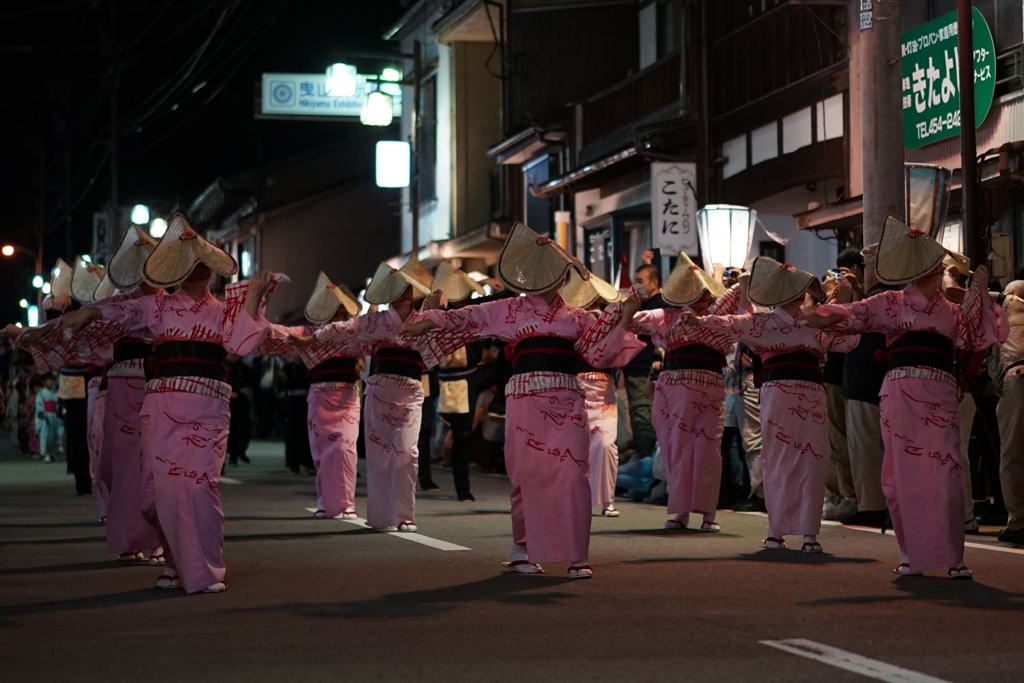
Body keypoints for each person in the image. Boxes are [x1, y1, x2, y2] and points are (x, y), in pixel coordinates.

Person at [38, 214, 274, 594]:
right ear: (177, 269)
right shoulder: (158, 307)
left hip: (209, 409)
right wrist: (91, 311)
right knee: (156, 494)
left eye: (203, 262)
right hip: (162, 409)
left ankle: (204, 571)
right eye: (189, 262)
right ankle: (178, 564)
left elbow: (242, 345)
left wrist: (254, 298)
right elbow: (124, 311)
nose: (197, 268)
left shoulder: (226, 309)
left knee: (197, 488)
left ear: (212, 269)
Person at [402, 222, 646, 579]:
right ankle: (522, 548)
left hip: (566, 398)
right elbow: (468, 317)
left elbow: (599, 352)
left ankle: (578, 554)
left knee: (573, 474)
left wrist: (625, 316)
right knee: (529, 475)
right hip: (526, 398)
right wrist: (427, 321)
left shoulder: (578, 317)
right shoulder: (508, 309)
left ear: (564, 279)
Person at [805, 217, 1006, 579]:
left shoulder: (951, 310)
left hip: (940, 390)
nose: (932, 270)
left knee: (945, 474)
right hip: (900, 391)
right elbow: (853, 315)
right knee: (902, 473)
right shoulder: (890, 301)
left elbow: (971, 338)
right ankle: (910, 552)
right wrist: (822, 311)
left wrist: (975, 289)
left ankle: (953, 555)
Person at [684, 257, 859, 553]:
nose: (801, 295)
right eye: (796, 290)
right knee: (778, 458)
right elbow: (730, 323)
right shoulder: (763, 322)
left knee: (812, 461)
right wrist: (700, 321)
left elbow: (847, 342)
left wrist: (843, 305)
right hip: (779, 393)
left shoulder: (812, 321)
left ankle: (808, 533)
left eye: (802, 289)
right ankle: (776, 528)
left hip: (811, 393)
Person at [291, 255, 433, 532]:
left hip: (408, 391)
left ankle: (403, 514)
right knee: (374, 453)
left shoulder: (426, 319)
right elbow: (346, 329)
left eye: (408, 286)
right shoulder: (375, 321)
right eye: (398, 287)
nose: (404, 291)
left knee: (406, 451)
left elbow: (457, 326)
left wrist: (438, 311)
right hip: (377, 390)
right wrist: (311, 339)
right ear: (388, 294)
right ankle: (380, 516)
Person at [629, 253, 742, 531]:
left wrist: (741, 283)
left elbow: (744, 316)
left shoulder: (720, 317)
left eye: (705, 292)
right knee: (676, 448)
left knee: (707, 449)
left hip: (710, 386)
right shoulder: (667, 315)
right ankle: (680, 510)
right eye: (695, 292)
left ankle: (707, 512)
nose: (702, 297)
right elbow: (633, 322)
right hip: (675, 385)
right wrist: (631, 305)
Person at [257, 272, 367, 519]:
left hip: (347, 396)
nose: (336, 311)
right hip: (318, 395)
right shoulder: (306, 331)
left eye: (339, 306)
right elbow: (278, 332)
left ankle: (346, 503)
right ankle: (325, 502)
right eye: (330, 306)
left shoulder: (354, 334)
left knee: (345, 450)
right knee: (322, 453)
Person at [562, 269, 626, 518]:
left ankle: (607, 500)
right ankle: (575, 497)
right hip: (574, 388)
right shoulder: (566, 320)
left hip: (603, 390)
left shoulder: (608, 319)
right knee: (574, 448)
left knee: (606, 444)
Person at [430, 262, 490, 502]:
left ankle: (462, 488)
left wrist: (492, 285)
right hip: (446, 382)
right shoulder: (439, 316)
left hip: (469, 380)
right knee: (442, 434)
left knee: (463, 438)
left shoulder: (475, 312)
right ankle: (446, 482)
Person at [621, 254, 668, 462]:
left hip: (644, 371)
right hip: (637, 370)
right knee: (641, 416)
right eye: (635, 281)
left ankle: (647, 468)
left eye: (640, 281)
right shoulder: (644, 305)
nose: (636, 286)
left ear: (654, 283)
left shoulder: (659, 308)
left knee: (643, 417)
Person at [990, 281, 1024, 545]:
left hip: (1018, 380)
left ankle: (1018, 523)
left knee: (1012, 455)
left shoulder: (1011, 301)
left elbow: (959, 294)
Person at [35, 373, 63, 463]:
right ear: (44, 382)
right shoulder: (41, 394)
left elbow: (58, 404)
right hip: (46, 417)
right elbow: (39, 404)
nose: (52, 382)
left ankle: (53, 453)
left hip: (55, 416)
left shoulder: (56, 393)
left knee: (55, 435)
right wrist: (42, 411)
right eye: (49, 380)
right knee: (46, 436)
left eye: (53, 380)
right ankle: (46, 454)